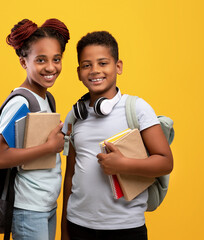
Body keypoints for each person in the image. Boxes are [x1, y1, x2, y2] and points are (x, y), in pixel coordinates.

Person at [61, 31, 173, 240]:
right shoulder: (75, 116)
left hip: (126, 228)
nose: (95, 71)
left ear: (118, 66)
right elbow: (70, 175)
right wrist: (65, 231)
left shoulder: (137, 108)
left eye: (103, 63)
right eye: (87, 65)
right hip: (78, 224)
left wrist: (122, 165)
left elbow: (165, 162)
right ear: (78, 72)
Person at [0, 18, 69, 240]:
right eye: (41, 60)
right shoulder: (21, 102)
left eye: (57, 59)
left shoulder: (46, 98)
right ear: (24, 62)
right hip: (28, 208)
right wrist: (50, 147)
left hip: (46, 204)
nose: (51, 67)